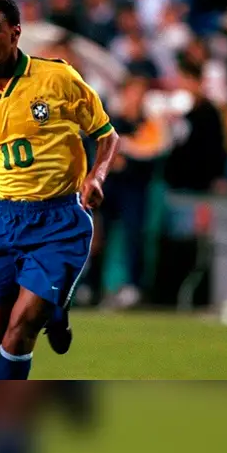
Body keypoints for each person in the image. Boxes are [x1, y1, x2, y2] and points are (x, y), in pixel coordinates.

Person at [0, 0, 119, 380]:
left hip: (60, 220)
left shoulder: (58, 78)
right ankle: (55, 306)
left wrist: (96, 176)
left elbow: (106, 135)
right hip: (5, 220)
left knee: (19, 332)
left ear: (15, 33)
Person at [83, 76, 169, 309]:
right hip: (109, 188)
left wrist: (127, 151)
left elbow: (151, 152)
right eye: (133, 92)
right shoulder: (112, 121)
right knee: (98, 237)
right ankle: (90, 286)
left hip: (135, 190)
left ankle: (134, 286)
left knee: (134, 236)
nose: (136, 98)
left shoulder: (149, 125)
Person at [163, 58, 227, 193]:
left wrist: (218, 176)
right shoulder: (173, 110)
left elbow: (216, 147)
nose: (182, 85)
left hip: (201, 181)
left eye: (185, 80)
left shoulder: (209, 112)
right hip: (176, 180)